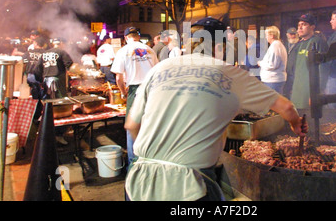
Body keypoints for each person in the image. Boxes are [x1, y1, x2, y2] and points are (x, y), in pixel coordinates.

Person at [124, 16, 307, 201]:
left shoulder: (159, 69)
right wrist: (296, 124)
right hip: (190, 186)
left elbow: (131, 125)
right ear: (219, 46)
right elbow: (286, 106)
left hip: (138, 182)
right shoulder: (229, 73)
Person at [111, 27, 158, 166]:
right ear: (138, 36)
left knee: (133, 125)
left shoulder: (123, 51)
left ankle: (134, 164)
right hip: (152, 89)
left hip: (135, 90)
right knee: (151, 124)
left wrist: (124, 93)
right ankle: (150, 160)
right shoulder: (150, 50)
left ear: (126, 38)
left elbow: (118, 77)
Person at [290, 13, 328, 110]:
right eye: (299, 25)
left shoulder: (318, 42)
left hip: (310, 89)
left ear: (312, 27)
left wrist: (318, 91)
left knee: (310, 117)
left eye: (304, 24)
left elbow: (323, 69)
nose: (300, 27)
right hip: (297, 89)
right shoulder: (298, 45)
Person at [258, 26, 287, 94]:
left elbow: (272, 65)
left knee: (272, 103)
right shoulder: (277, 45)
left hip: (273, 81)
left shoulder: (275, 46)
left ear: (272, 35)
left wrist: (260, 63)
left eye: (266, 35)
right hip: (274, 81)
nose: (266, 37)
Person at [284, 27, 300, 98]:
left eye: (294, 34)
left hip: (295, 74)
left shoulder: (300, 44)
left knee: (294, 93)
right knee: (286, 93)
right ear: (287, 35)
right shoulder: (284, 45)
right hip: (285, 73)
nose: (293, 36)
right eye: (291, 34)